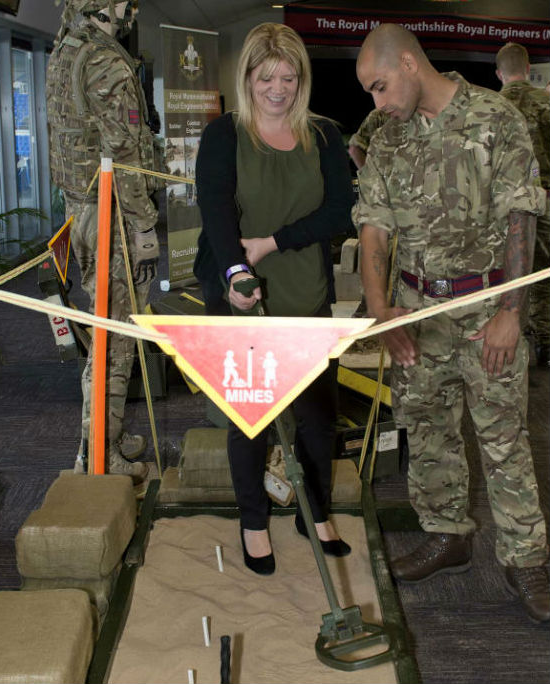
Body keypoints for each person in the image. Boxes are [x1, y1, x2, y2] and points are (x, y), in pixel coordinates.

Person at [354, 24, 549, 623]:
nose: (377, 102)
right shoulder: (386, 140)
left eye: (381, 86)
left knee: (503, 438)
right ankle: (447, 536)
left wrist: (511, 313)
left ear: (410, 64)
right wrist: (383, 311)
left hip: (489, 308)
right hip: (418, 311)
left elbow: (522, 214)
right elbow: (374, 229)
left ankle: (527, 560)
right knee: (428, 431)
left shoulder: (496, 119)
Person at [194, 23, 354, 575]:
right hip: (242, 292)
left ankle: (316, 510)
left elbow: (341, 212)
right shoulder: (224, 135)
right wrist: (239, 270)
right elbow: (214, 211)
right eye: (267, 78)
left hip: (305, 290)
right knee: (252, 416)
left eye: (289, 77)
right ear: (248, 78)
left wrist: (273, 242)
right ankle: (253, 521)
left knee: (316, 416)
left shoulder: (326, 135)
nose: (278, 89)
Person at [46, 0, 160, 485]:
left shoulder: (65, 50)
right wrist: (144, 225)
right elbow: (126, 151)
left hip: (82, 209)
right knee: (114, 340)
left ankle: (102, 437)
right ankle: (101, 455)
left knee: (102, 333)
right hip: (110, 213)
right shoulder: (105, 61)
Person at [495, 42, 550, 367]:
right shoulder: (545, 104)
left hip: (506, 211)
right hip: (546, 202)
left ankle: (516, 338)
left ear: (499, 73)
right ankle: (544, 342)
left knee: (512, 275)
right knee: (544, 276)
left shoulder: (491, 109)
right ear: (528, 69)